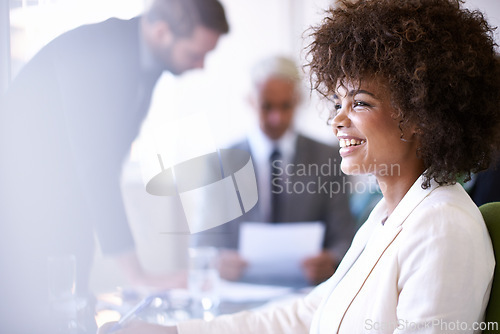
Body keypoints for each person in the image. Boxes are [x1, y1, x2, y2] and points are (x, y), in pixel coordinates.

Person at [98, 0, 500, 333]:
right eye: (338, 103)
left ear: (420, 116)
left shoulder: (443, 225)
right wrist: (173, 332)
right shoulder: (386, 217)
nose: (337, 120)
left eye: (359, 102)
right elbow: (305, 314)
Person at [0, 0, 228, 332]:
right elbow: (96, 168)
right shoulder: (99, 51)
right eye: (195, 54)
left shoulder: (145, 64)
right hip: (19, 217)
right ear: (162, 32)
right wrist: (139, 276)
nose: (201, 65)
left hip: (63, 217)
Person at [193, 55, 355, 286]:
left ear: (297, 100)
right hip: (239, 291)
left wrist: (332, 259)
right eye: (266, 106)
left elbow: (345, 236)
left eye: (285, 106)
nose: (276, 118)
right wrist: (217, 261)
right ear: (250, 101)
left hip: (307, 292)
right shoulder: (220, 163)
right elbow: (202, 245)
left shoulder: (327, 157)